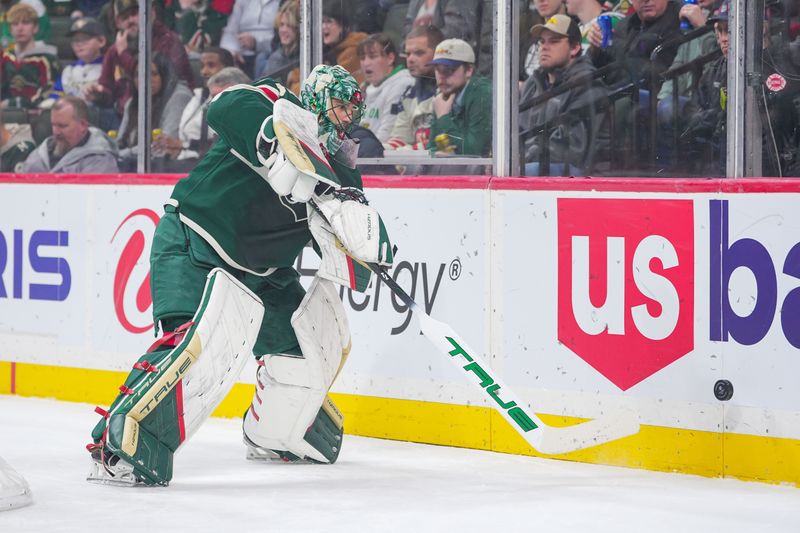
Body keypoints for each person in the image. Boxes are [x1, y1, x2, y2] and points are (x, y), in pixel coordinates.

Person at [85, 64, 395, 487]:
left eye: (352, 112)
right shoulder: (274, 103)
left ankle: (277, 433)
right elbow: (225, 105)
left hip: (266, 274)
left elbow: (349, 238)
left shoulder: (341, 172)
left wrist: (362, 242)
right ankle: (115, 444)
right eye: (340, 106)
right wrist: (275, 146)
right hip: (195, 242)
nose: (347, 119)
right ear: (319, 99)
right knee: (196, 344)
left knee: (308, 352)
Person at [520, 14, 609, 175]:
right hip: (534, 161)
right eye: (542, 41)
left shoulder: (588, 83)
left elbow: (573, 148)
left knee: (525, 171)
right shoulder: (533, 83)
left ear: (574, 48)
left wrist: (523, 158)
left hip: (576, 171)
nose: (545, 47)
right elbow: (518, 129)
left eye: (554, 41)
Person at [84, 0, 194, 126]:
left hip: (163, 108)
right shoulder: (116, 49)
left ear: (151, 12)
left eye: (135, 13)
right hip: (128, 114)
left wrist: (124, 55)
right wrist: (99, 94)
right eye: (124, 17)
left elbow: (154, 83)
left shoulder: (169, 41)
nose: (130, 20)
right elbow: (108, 88)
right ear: (118, 23)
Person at [155, 66, 251, 168]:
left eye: (222, 96)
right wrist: (180, 149)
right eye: (213, 97)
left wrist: (183, 146)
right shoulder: (211, 111)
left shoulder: (250, 120)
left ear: (241, 94)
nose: (214, 103)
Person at [154, 48, 235, 165]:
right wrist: (174, 148)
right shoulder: (199, 96)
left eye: (211, 65)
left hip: (211, 165)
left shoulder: (232, 101)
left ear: (228, 69)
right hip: (186, 162)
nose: (204, 71)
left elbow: (221, 144)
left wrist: (182, 145)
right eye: (202, 66)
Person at [116, 53, 194, 171]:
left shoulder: (179, 97)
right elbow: (120, 141)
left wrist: (123, 154)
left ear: (166, 75)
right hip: (131, 162)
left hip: (164, 166)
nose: (144, 80)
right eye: (138, 75)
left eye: (153, 74)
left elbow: (164, 145)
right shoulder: (133, 102)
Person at [586, 0, 681, 89]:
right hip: (615, 95)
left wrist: (613, 46)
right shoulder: (623, 25)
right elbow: (598, 70)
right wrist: (595, 50)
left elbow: (656, 72)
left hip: (651, 99)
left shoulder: (680, 20)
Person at [426, 38, 492, 156]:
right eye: (437, 69)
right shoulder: (442, 93)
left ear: (469, 70)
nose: (441, 76)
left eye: (448, 70)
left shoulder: (483, 93)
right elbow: (431, 147)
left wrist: (443, 118)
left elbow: (475, 152)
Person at [22, 96, 118, 173]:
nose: (56, 132)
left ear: (83, 125)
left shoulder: (100, 161)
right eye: (53, 125)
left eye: (62, 126)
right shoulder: (41, 153)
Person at [385, 24, 443, 151]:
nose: (410, 59)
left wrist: (407, 151)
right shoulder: (408, 95)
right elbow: (400, 138)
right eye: (407, 54)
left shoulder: (449, 91)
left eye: (418, 53)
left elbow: (446, 143)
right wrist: (380, 151)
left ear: (438, 53)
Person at [357, 33, 414, 143]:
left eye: (373, 56)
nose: (366, 63)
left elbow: (386, 134)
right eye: (362, 58)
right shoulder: (367, 88)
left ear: (390, 58)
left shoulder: (402, 84)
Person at [1, 2, 58, 109]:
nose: (20, 28)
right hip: (6, 116)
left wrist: (14, 103)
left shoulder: (46, 59)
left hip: (35, 116)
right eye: (15, 24)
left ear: (35, 27)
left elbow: (47, 94)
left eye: (26, 23)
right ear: (10, 29)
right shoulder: (6, 57)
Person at [220, 0, 280, 77]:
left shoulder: (283, 2)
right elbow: (230, 31)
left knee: (261, 59)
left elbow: (281, 38)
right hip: (240, 53)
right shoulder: (242, 2)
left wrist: (257, 44)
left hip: (268, 52)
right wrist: (231, 52)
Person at [53, 17, 107, 100]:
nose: (79, 44)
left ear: (101, 41)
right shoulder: (68, 71)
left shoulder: (109, 67)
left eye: (85, 39)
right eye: (75, 40)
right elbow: (55, 95)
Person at [260, 0, 300, 94]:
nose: (283, 30)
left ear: (298, 29)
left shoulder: (306, 57)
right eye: (281, 25)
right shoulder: (275, 57)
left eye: (289, 26)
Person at [322, 2, 367, 84]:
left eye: (329, 21)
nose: (324, 26)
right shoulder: (325, 50)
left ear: (342, 27)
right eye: (322, 22)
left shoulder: (353, 51)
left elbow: (328, 84)